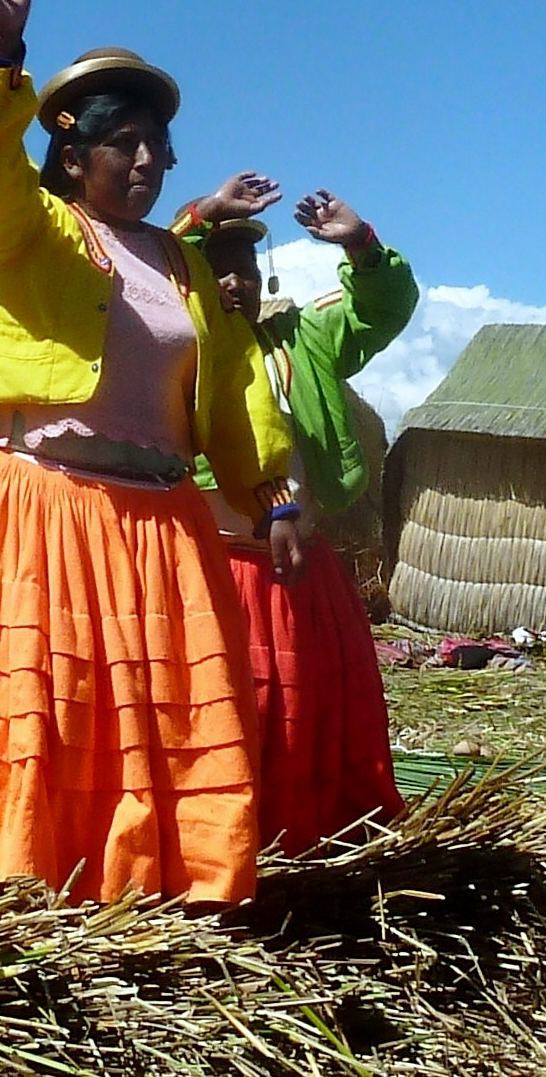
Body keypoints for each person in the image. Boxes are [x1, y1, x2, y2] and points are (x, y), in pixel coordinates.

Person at [0, 0, 300, 906]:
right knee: (49, 703)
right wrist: (2, 51)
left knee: (157, 716)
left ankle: (148, 879)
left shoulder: (185, 261)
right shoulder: (32, 227)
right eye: (127, 143)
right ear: (73, 153)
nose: (150, 160)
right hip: (50, 508)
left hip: (162, 522)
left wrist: (273, 490)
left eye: (160, 146)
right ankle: (20, 875)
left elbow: (237, 377)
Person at [172, 187, 418, 854]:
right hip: (203, 572)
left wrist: (358, 243)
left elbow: (379, 309)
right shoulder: (175, 354)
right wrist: (201, 215)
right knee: (216, 712)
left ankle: (298, 841)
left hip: (295, 573)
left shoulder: (298, 341)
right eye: (217, 267)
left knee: (302, 709)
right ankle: (212, 846)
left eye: (246, 270)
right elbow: (162, 261)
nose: (234, 282)